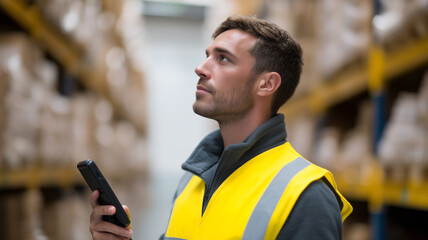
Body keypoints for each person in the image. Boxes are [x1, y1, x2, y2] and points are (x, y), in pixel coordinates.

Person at [88, 15, 353, 240]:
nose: (200, 68)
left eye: (223, 59)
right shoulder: (192, 181)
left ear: (266, 84)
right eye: (207, 56)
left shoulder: (306, 196)